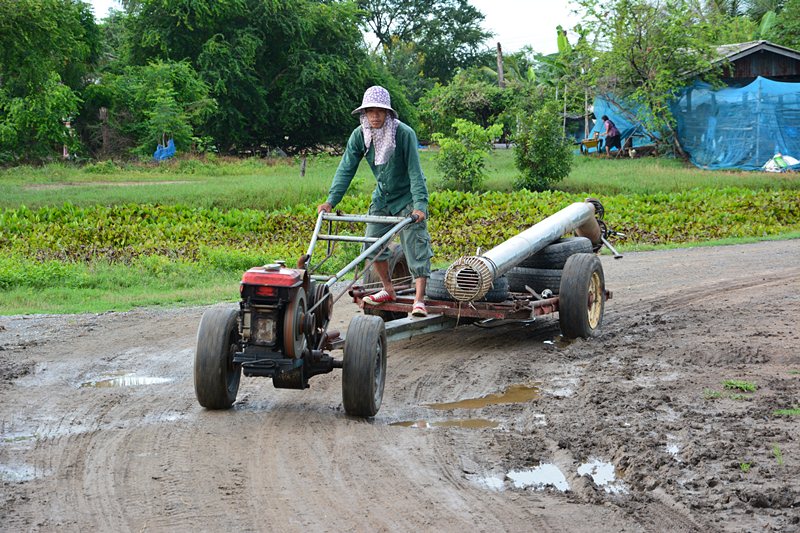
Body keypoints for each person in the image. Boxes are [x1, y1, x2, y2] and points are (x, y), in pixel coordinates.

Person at [317, 86, 433, 317]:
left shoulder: (403, 134)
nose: (375, 116)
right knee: (372, 242)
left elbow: (415, 172)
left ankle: (419, 300)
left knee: (415, 242)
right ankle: (387, 289)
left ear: (388, 113)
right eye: (370, 111)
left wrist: (420, 205)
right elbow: (346, 169)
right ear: (364, 113)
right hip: (383, 195)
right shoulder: (360, 135)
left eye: (379, 111)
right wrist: (331, 201)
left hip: (408, 195)